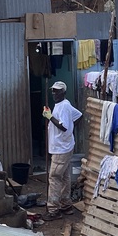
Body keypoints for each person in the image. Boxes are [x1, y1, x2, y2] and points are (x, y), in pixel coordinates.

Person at [41, 81, 82, 221]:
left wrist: (50, 117)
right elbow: (78, 115)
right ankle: (66, 204)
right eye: (53, 90)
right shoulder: (64, 104)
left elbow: (64, 127)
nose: (54, 93)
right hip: (64, 146)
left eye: (57, 91)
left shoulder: (64, 106)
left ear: (63, 92)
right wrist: (70, 132)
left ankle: (53, 209)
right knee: (64, 176)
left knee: (54, 177)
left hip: (61, 148)